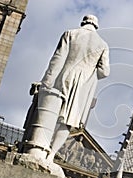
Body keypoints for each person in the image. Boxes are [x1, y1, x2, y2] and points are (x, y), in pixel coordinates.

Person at [41, 14, 110, 161]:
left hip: (63, 77)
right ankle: (51, 154)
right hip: (82, 86)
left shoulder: (70, 34)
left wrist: (47, 81)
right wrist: (90, 70)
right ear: (96, 26)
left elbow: (57, 59)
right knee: (68, 121)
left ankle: (42, 147)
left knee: (51, 112)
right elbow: (105, 72)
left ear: (83, 22)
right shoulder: (102, 44)